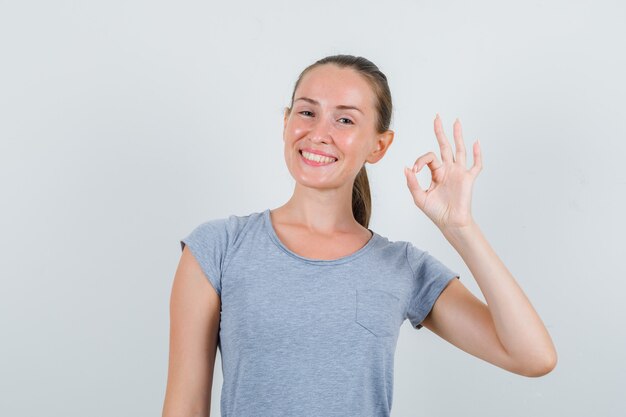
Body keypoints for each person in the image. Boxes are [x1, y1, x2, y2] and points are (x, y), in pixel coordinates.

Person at [162, 54, 557, 417]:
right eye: (306, 112)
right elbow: (184, 406)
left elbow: (532, 356)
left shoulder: (402, 267)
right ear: (286, 122)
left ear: (379, 146)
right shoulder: (218, 248)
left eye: (345, 120)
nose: (319, 133)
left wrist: (461, 229)